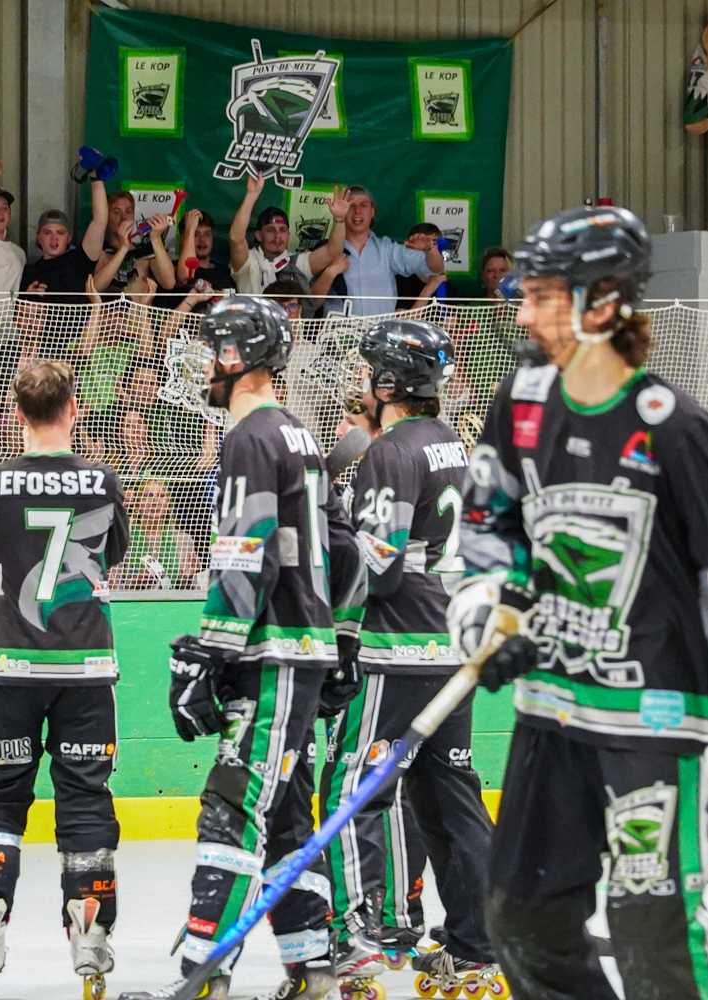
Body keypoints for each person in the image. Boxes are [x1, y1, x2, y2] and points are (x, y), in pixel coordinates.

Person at [446, 205, 708, 999]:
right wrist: (484, 609)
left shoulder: (676, 428)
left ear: (601, 304)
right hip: (551, 711)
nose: (523, 310)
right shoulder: (524, 399)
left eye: (541, 294)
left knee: (652, 930)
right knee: (520, 919)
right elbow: (485, 525)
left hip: (656, 721)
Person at [119, 296, 359, 1000]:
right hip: (302, 652)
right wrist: (338, 640)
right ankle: (310, 966)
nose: (200, 362)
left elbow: (244, 551)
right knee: (286, 813)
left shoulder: (251, 438)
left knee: (235, 801)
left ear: (236, 357)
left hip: (272, 654)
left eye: (210, 348)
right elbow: (346, 553)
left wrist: (212, 649)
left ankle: (203, 973)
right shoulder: (305, 438)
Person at [320, 318, 496, 990]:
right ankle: (476, 948)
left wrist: (330, 514)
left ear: (388, 382)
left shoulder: (393, 452)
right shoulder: (455, 443)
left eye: (367, 371)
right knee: (448, 797)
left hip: (397, 651)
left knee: (354, 792)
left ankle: (370, 933)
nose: (360, 380)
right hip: (452, 648)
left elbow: (381, 568)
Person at [0, 360, 130, 996]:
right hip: (86, 664)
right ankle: (89, 926)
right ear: (74, 408)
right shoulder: (103, 480)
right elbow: (112, 550)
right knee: (85, 795)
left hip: (7, 663)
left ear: (17, 411)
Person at [229, 176, 347, 296]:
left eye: (282, 230)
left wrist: (339, 219)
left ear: (289, 235)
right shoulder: (249, 262)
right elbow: (236, 238)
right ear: (259, 235)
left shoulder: (297, 262)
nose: (277, 236)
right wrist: (251, 195)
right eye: (270, 230)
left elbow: (333, 251)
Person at [340, 187, 444, 316]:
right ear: (341, 212)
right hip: (338, 333)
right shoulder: (329, 251)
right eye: (351, 206)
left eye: (363, 205)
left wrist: (430, 249)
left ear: (372, 212)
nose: (357, 211)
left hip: (379, 333)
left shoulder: (387, 249)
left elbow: (435, 268)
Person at [20, 177, 115, 303]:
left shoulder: (79, 260)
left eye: (60, 233)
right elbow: (17, 314)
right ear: (38, 237)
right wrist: (27, 297)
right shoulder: (28, 272)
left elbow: (100, 221)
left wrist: (95, 176)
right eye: (47, 232)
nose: (54, 238)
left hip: (82, 323)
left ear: (69, 237)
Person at [175, 208, 236, 293]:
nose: (202, 239)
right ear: (182, 238)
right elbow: (185, 276)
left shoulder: (224, 272)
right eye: (195, 234)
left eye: (207, 234)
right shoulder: (174, 269)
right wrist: (190, 230)